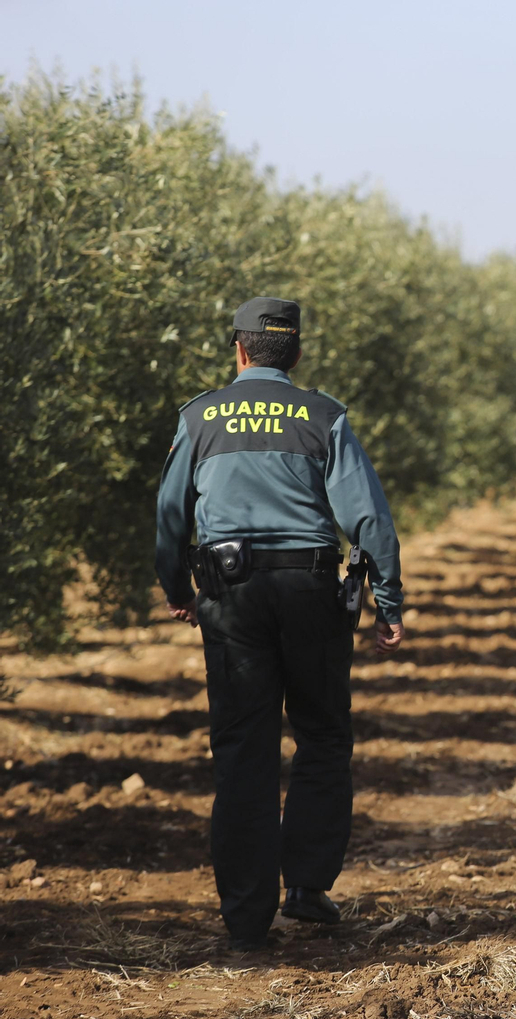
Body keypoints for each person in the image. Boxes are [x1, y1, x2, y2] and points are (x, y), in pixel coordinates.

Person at [154, 297, 405, 951]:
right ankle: (308, 887)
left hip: (229, 592)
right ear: (295, 354)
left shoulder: (200, 416)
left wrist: (177, 587)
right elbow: (370, 519)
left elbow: (169, 516)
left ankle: (244, 919)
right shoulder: (324, 415)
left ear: (238, 351)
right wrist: (390, 600)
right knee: (321, 736)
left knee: (244, 750)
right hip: (311, 589)